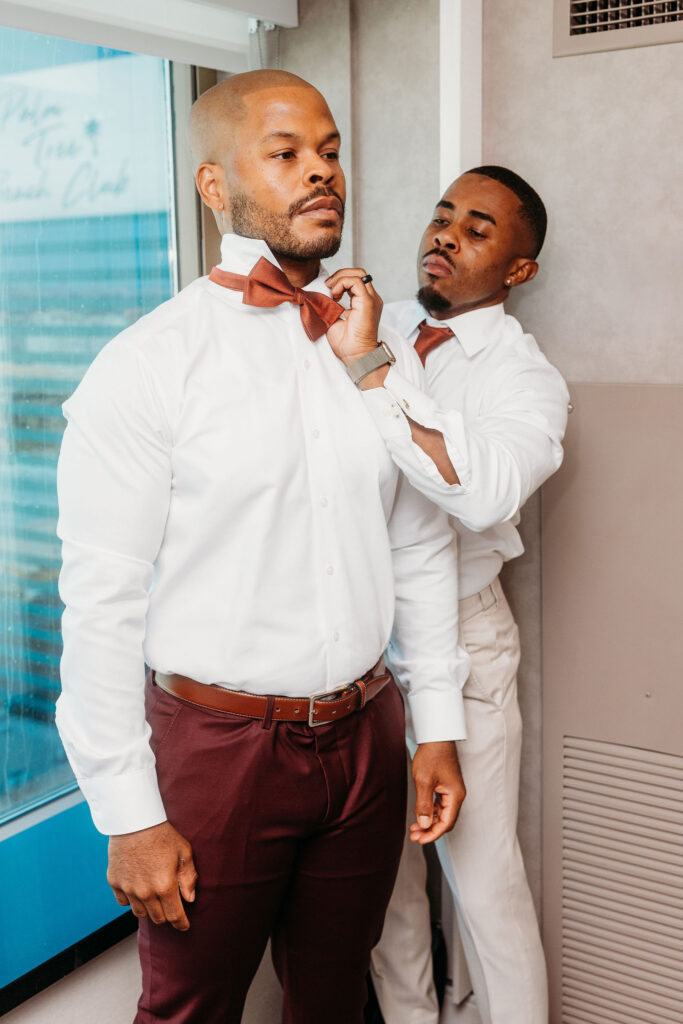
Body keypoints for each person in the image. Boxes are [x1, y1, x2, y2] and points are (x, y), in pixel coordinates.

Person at [55, 70, 472, 1024]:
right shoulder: (147, 365)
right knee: (190, 1010)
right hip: (217, 753)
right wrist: (129, 815)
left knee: (332, 999)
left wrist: (435, 720)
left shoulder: (374, 344)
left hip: (366, 737)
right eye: (284, 155)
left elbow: (416, 538)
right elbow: (103, 604)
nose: (320, 173)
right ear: (214, 187)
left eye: (327, 150)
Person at [328, 167, 568, 1024]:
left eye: (476, 230)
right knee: (382, 890)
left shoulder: (526, 380)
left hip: (461, 648)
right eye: (441, 216)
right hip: (354, 649)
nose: (443, 237)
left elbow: (482, 491)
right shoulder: (368, 324)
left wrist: (368, 371)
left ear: (517, 271)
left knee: (484, 882)